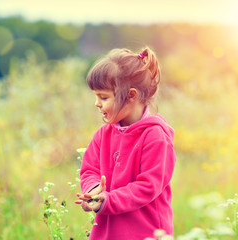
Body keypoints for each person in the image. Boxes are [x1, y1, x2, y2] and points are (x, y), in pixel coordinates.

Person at [75, 47, 176, 240]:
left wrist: (108, 200)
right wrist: (93, 192)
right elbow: (89, 170)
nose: (97, 103)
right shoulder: (103, 135)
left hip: (146, 233)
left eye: (103, 97)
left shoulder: (155, 136)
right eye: (96, 96)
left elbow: (148, 186)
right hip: (107, 233)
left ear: (131, 96)